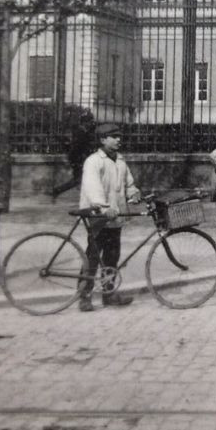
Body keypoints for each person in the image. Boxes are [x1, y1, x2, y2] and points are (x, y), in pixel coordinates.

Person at [76, 122, 142, 311]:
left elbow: (128, 183)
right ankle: (84, 295)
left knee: (113, 255)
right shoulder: (93, 161)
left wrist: (133, 193)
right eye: (114, 136)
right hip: (97, 215)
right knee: (94, 256)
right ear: (103, 139)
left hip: (115, 215)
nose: (118, 140)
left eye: (119, 136)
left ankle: (108, 293)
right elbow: (92, 187)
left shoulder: (120, 161)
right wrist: (104, 207)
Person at [49, 112, 97, 199]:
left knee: (80, 179)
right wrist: (78, 161)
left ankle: (57, 191)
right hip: (78, 159)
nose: (91, 123)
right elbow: (77, 148)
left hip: (78, 159)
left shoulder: (82, 131)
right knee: (79, 179)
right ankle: (56, 191)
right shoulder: (81, 132)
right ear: (85, 122)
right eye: (90, 121)